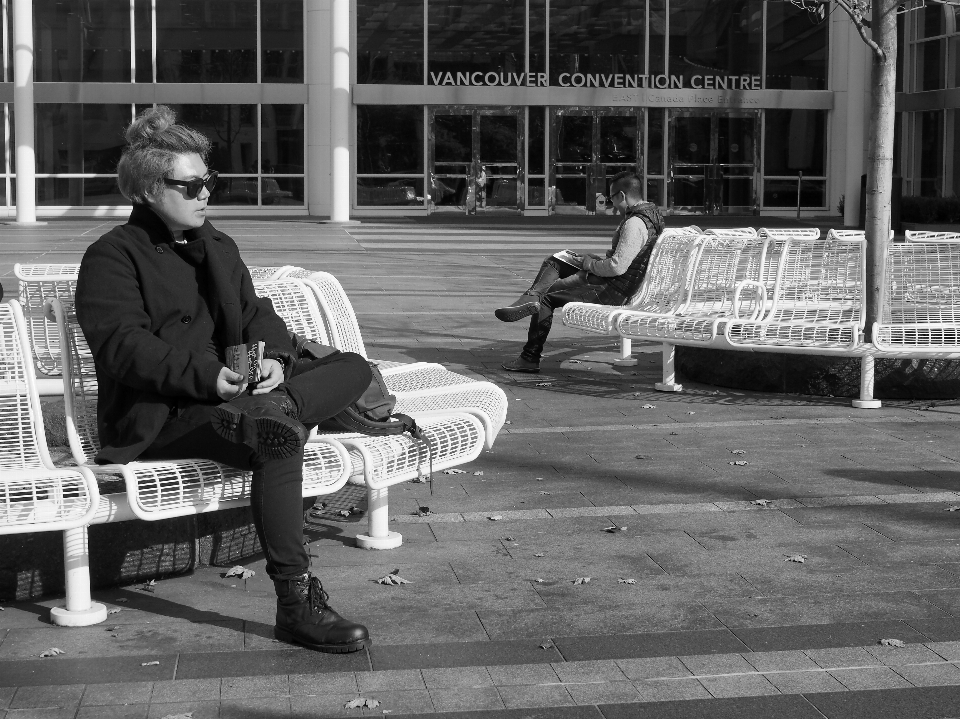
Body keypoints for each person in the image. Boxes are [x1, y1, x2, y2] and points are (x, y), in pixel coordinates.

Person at [75, 106, 373, 654]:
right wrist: (211, 378)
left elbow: (256, 312)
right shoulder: (112, 256)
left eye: (208, 181)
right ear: (145, 189)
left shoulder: (217, 243)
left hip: (247, 397)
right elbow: (124, 349)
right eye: (190, 186)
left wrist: (278, 361)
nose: (205, 193)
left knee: (353, 367)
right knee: (278, 438)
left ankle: (280, 404)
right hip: (167, 415)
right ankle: (296, 604)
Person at [495, 171, 665, 373]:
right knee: (558, 259)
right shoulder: (652, 217)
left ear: (621, 195)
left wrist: (589, 264)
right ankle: (530, 298)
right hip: (619, 284)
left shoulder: (634, 223)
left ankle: (530, 356)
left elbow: (617, 266)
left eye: (612, 199)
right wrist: (592, 260)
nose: (612, 205)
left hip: (612, 291)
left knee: (547, 298)